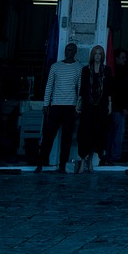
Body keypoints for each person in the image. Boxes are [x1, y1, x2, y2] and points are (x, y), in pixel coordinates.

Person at [35, 42, 82, 172]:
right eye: (67, 49)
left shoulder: (78, 68)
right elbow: (49, 85)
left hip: (70, 106)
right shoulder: (55, 66)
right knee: (49, 135)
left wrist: (78, 108)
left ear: (75, 52)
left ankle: (62, 165)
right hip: (55, 105)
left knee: (66, 137)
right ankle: (41, 162)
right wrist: (46, 104)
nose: (68, 52)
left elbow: (80, 89)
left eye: (71, 50)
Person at [77, 45, 112, 172]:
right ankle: (82, 161)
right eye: (96, 53)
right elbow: (82, 89)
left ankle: (90, 161)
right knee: (85, 133)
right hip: (88, 106)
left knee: (97, 133)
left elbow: (108, 90)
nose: (98, 56)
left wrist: (109, 104)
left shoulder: (106, 71)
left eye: (100, 53)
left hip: (101, 107)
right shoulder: (86, 70)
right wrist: (79, 103)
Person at [106, 48, 128, 162]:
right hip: (117, 107)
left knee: (111, 132)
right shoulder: (120, 73)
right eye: (122, 58)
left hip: (113, 106)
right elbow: (121, 92)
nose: (125, 60)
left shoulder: (112, 71)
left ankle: (108, 155)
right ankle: (115, 155)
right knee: (117, 133)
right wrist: (124, 107)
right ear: (116, 58)